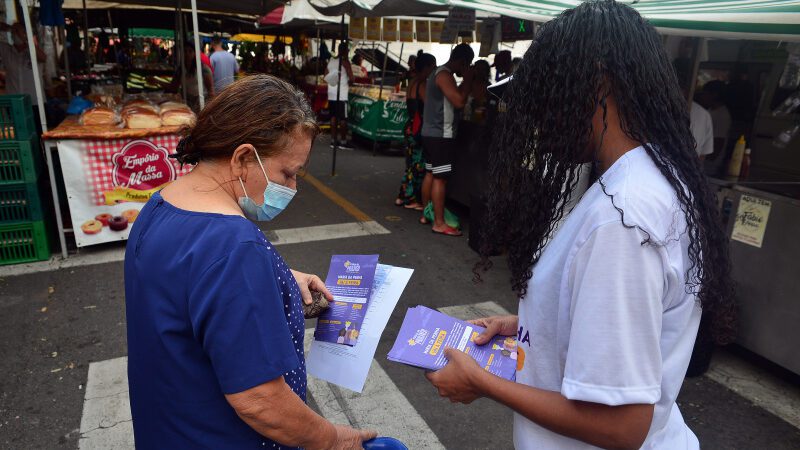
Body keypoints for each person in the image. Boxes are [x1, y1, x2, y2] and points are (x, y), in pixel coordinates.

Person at [425, 2, 736, 450]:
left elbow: (620, 425)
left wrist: (481, 382)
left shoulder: (622, 219)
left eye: (545, 94)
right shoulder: (648, 178)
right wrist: (536, 323)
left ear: (596, 81)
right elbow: (631, 319)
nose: (533, 119)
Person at [125, 75, 376, 449]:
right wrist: (333, 439)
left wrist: (279, 279)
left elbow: (186, 280)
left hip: (167, 428)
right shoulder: (235, 247)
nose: (292, 189)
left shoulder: (164, 202)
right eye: (287, 173)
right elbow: (260, 401)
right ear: (243, 157)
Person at [420, 43, 474, 236]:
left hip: (430, 132)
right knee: (440, 179)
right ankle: (439, 223)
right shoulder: (444, 75)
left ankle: (427, 214)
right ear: (462, 62)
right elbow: (459, 101)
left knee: (430, 174)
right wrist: (467, 80)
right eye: (467, 65)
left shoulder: (437, 73)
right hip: (440, 134)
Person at [395, 53, 436, 210]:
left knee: (411, 164)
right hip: (418, 128)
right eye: (433, 66)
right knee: (418, 165)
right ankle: (410, 198)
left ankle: (402, 196)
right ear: (426, 67)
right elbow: (430, 105)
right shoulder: (422, 84)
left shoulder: (412, 81)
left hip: (410, 126)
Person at [165, 43, 214, 112]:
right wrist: (157, 81)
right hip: (186, 103)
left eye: (190, 51)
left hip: (201, 103)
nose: (187, 54)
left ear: (194, 53)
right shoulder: (180, 70)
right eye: (185, 51)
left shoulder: (203, 68)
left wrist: (211, 108)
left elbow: (211, 90)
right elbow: (173, 87)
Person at [325, 41, 354, 149]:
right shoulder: (345, 62)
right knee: (343, 118)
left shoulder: (331, 60)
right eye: (347, 50)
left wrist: (335, 79)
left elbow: (325, 75)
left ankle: (333, 140)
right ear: (345, 51)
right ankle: (343, 141)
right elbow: (352, 78)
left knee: (333, 117)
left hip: (331, 93)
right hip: (341, 94)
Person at [698, 80, 732, 172]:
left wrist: (701, 157)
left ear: (714, 95)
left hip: (709, 165)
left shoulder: (722, 115)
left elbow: (718, 143)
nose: (702, 96)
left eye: (705, 93)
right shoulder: (709, 110)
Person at [463, 59, 490, 125]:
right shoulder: (467, 83)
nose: (480, 72)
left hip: (479, 122)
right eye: (478, 69)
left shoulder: (489, 87)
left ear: (487, 71)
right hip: (464, 120)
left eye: (483, 69)